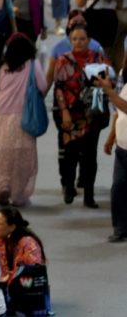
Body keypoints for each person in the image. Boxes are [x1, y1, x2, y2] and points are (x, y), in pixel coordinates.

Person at [0, 34, 48, 207]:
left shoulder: (3, 67)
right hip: (22, 116)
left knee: (1, 154)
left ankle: (2, 186)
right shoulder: (33, 65)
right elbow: (42, 86)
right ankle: (18, 194)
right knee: (21, 155)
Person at [53, 23, 109, 208]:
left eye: (82, 39)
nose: (78, 42)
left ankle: (89, 196)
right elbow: (59, 88)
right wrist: (64, 112)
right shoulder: (62, 60)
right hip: (71, 114)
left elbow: (106, 82)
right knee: (70, 154)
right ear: (70, 40)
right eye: (75, 39)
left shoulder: (97, 58)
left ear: (89, 40)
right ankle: (69, 186)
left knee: (90, 157)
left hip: (91, 114)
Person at [95, 72, 127, 242]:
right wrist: (111, 137)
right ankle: (120, 228)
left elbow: (125, 107)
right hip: (122, 146)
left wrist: (109, 91)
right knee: (118, 188)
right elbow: (118, 113)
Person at [0, 207, 46, 284]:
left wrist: (9, 278)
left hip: (25, 287)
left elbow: (33, 272)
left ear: (12, 227)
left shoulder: (29, 243)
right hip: (2, 284)